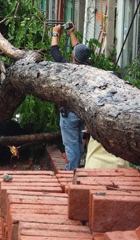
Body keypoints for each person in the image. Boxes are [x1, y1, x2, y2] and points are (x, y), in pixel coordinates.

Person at [51, 22, 90, 171]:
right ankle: (77, 171)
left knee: (72, 145)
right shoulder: (89, 68)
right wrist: (71, 32)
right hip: (83, 113)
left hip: (70, 114)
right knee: (79, 143)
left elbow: (55, 52)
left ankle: (71, 174)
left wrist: (55, 33)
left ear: (74, 56)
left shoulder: (68, 68)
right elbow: (79, 50)